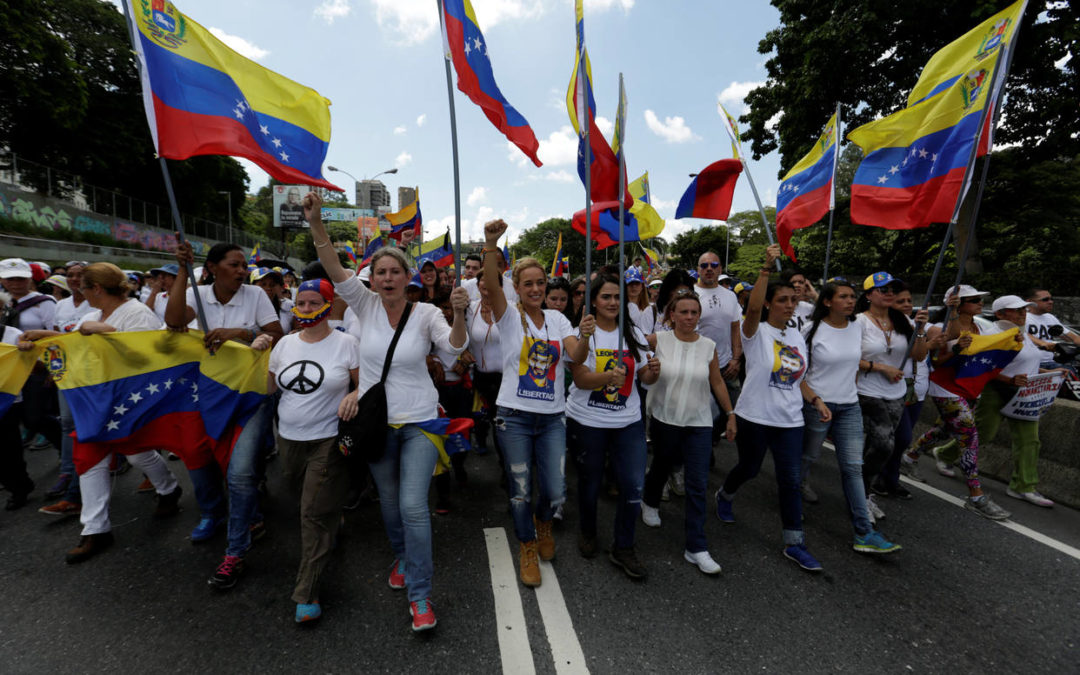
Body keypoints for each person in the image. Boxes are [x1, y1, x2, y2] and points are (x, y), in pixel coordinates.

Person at [306, 191, 469, 632]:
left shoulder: (426, 314)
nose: (389, 277)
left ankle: (420, 595)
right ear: (373, 279)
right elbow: (333, 267)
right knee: (392, 509)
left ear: (407, 276)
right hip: (377, 424)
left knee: (414, 506)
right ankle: (401, 554)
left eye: (396, 271)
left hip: (419, 421)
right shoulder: (364, 305)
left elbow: (455, 350)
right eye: (381, 272)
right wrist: (317, 224)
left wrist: (458, 316)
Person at [20, 263, 183, 563]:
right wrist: (42, 338)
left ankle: (169, 488)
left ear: (96, 289)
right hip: (97, 400)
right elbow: (77, 347)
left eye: (82, 287)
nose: (78, 292)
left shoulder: (137, 313)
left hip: (131, 399)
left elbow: (146, 357)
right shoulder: (92, 315)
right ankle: (95, 530)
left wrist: (108, 332)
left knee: (135, 452)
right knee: (90, 455)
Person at [164, 240, 283, 587]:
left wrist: (241, 334)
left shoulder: (256, 296)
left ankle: (235, 550)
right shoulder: (197, 295)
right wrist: (183, 270)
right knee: (199, 455)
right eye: (234, 265)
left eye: (244, 265)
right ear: (213, 268)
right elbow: (173, 323)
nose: (242, 271)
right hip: (206, 392)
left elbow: (278, 334)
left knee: (241, 471)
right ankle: (215, 513)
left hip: (250, 394)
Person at [481, 219, 589, 589]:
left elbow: (575, 355)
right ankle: (527, 543)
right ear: (517, 288)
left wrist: (586, 337)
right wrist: (490, 244)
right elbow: (492, 283)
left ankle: (544, 522)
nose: (535, 288)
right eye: (527, 283)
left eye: (540, 282)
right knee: (521, 488)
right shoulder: (509, 316)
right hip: (514, 417)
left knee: (556, 489)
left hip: (553, 418)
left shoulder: (558, 319)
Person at [714, 244, 832, 573]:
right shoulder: (757, 332)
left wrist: (816, 400)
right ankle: (725, 493)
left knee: (790, 480)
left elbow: (799, 379)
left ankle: (794, 543)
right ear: (768, 303)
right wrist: (766, 268)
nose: (789, 305)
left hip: (791, 420)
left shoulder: (796, 337)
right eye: (782, 300)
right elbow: (750, 313)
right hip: (755, 416)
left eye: (793, 300)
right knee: (750, 469)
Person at [263, 278, 360, 623]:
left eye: (313, 302)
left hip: (329, 439)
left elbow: (366, 383)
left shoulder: (347, 343)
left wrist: (353, 394)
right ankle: (334, 514)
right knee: (301, 497)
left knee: (312, 515)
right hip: (288, 440)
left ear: (328, 304)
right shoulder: (285, 345)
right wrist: (254, 351)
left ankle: (307, 592)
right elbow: (267, 386)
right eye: (300, 303)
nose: (305, 309)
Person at [798, 280, 901, 553]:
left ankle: (863, 532)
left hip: (849, 406)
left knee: (852, 467)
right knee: (808, 457)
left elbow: (857, 358)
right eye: (843, 296)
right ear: (827, 302)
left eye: (852, 296)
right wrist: (816, 401)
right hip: (817, 406)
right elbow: (797, 375)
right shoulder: (812, 330)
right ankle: (793, 497)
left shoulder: (857, 326)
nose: (850, 301)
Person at [566, 273, 658, 578]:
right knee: (590, 484)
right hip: (587, 420)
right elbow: (580, 379)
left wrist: (654, 371)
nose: (613, 302)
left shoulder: (633, 333)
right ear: (593, 299)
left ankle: (623, 546)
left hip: (628, 422)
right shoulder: (583, 332)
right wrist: (608, 378)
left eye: (618, 297)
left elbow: (644, 378)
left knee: (633, 486)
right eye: (606, 297)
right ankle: (588, 530)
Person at [640, 290, 736, 574]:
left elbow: (717, 382)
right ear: (672, 315)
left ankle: (696, 547)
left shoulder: (708, 346)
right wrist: (649, 372)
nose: (690, 317)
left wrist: (730, 414)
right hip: (664, 417)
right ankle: (650, 499)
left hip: (698, 421)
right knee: (662, 464)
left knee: (697, 482)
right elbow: (643, 372)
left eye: (694, 313)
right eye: (683, 312)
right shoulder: (657, 340)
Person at [912, 285, 1012, 520]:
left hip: (968, 389)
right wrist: (957, 348)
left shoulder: (978, 326)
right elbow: (936, 361)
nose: (980, 303)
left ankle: (910, 457)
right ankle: (976, 495)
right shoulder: (943, 328)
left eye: (980, 299)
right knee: (969, 435)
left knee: (944, 430)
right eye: (974, 299)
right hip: (945, 388)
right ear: (958, 303)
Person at [853, 273, 928, 522]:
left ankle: (861, 494)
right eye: (882, 289)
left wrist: (919, 331)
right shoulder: (858, 322)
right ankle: (861, 497)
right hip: (867, 391)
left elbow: (918, 356)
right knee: (885, 444)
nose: (888, 293)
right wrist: (881, 367)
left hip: (896, 393)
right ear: (868, 295)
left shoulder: (903, 321)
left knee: (876, 446)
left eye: (892, 289)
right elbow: (850, 358)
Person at [977, 295, 1058, 507]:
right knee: (983, 433)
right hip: (997, 390)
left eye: (1024, 309)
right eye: (1017, 310)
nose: (1023, 313)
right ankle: (946, 455)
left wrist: (1050, 372)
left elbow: (1027, 362)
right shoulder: (992, 335)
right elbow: (984, 368)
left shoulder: (1022, 333)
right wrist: (1010, 379)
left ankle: (1023, 486)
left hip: (1025, 393)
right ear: (1000, 314)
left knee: (1029, 440)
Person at [0, 257, 59, 507]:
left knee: (35, 418)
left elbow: (54, 334)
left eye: (20, 278)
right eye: (10, 278)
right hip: (5, 381)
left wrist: (48, 367)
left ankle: (65, 447)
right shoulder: (6, 301)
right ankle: (17, 484)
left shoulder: (43, 303)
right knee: (9, 435)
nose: (15, 283)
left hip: (33, 369)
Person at [42, 261, 95, 505]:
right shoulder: (60, 305)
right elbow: (56, 341)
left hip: (92, 371)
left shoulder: (95, 302)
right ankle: (67, 471)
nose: (74, 279)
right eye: (70, 275)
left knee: (90, 422)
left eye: (79, 275)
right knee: (66, 422)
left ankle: (98, 466)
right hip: (66, 371)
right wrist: (54, 370)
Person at [694, 252, 741, 402]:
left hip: (726, 367)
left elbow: (735, 328)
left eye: (714, 265)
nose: (709, 269)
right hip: (698, 367)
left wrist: (736, 359)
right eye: (704, 265)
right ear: (698, 269)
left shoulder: (730, 296)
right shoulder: (690, 295)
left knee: (732, 413)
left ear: (720, 269)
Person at [251, 267, 293, 334]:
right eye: (263, 284)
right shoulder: (244, 307)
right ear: (252, 285)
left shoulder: (288, 308)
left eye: (272, 285)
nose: (268, 288)